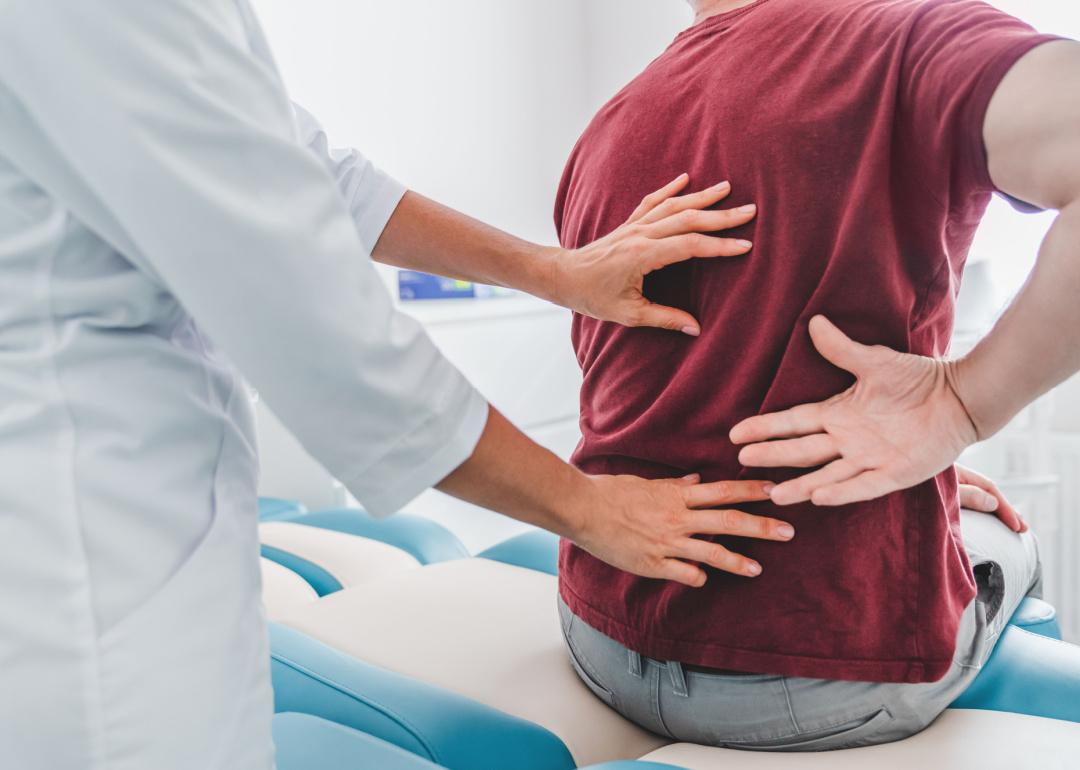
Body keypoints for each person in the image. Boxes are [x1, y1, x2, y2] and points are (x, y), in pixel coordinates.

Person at [0, 3, 806, 769]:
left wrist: (557, 273)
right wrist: (590, 509)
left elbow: (313, 173)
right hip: (82, 552)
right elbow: (325, 333)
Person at [554, 0, 1079, 752]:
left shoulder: (605, 129)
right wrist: (962, 406)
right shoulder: (905, 38)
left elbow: (673, 387)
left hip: (598, 631)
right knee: (1003, 534)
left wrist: (926, 480)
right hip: (822, 681)